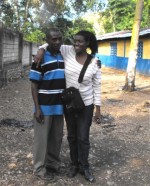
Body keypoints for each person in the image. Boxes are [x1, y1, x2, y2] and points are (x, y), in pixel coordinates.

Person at [35, 30, 101, 182]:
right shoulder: (68, 50)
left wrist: (98, 109)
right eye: (75, 41)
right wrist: (40, 50)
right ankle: (74, 165)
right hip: (70, 104)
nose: (76, 44)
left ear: (87, 44)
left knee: (83, 137)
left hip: (87, 105)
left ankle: (85, 166)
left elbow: (97, 86)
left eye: (80, 42)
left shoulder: (94, 62)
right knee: (71, 136)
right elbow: (51, 42)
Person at [29, 28, 66, 182]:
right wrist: (37, 108)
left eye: (59, 39)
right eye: (53, 39)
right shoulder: (40, 59)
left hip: (59, 105)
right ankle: (38, 168)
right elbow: (33, 85)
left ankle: (52, 163)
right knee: (41, 139)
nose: (57, 42)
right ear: (47, 40)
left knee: (56, 137)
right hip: (44, 106)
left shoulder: (64, 55)